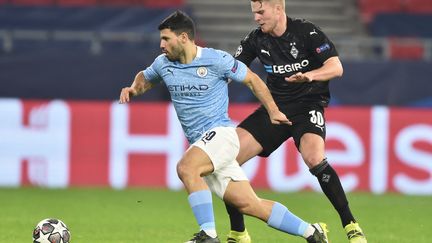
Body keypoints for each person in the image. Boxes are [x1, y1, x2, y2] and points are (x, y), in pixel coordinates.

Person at [119, 10, 330, 243]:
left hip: (221, 135)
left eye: (166, 39)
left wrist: (273, 110)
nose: (161, 44)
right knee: (250, 204)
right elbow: (145, 77)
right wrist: (133, 89)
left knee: (187, 168)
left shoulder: (216, 60)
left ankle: (209, 235)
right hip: (204, 144)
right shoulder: (163, 64)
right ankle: (312, 232)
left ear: (184, 38)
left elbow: (252, 79)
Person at [224, 1, 367, 243]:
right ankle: (239, 233)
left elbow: (336, 66)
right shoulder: (255, 40)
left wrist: (310, 75)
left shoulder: (306, 32)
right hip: (275, 110)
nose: (256, 18)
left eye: (261, 12)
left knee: (314, 159)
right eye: (254, 13)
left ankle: (350, 224)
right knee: (226, 160)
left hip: (308, 105)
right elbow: (232, 70)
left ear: (278, 9)